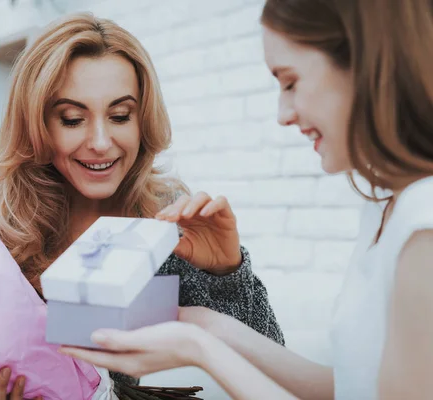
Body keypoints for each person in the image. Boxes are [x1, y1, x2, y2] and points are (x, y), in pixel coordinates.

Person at [61, 0, 433, 399]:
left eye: (290, 83)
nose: (282, 114)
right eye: (71, 118)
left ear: (367, 67)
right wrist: (204, 325)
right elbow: (350, 388)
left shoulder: (422, 229)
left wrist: (200, 346)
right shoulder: (387, 208)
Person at [0, 12, 284, 400]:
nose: (101, 141)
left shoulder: (167, 220)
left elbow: (274, 370)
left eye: (119, 116)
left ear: (142, 119)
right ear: (37, 125)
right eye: (72, 119)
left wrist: (228, 274)